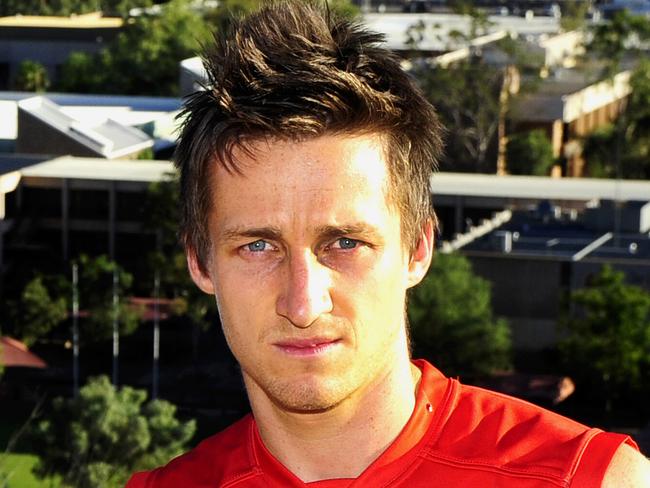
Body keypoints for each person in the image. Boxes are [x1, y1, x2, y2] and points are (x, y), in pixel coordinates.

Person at [127, 1, 650, 486]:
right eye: (258, 247)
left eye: (345, 242)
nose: (304, 304)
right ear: (199, 260)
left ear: (418, 248)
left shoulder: (589, 478)